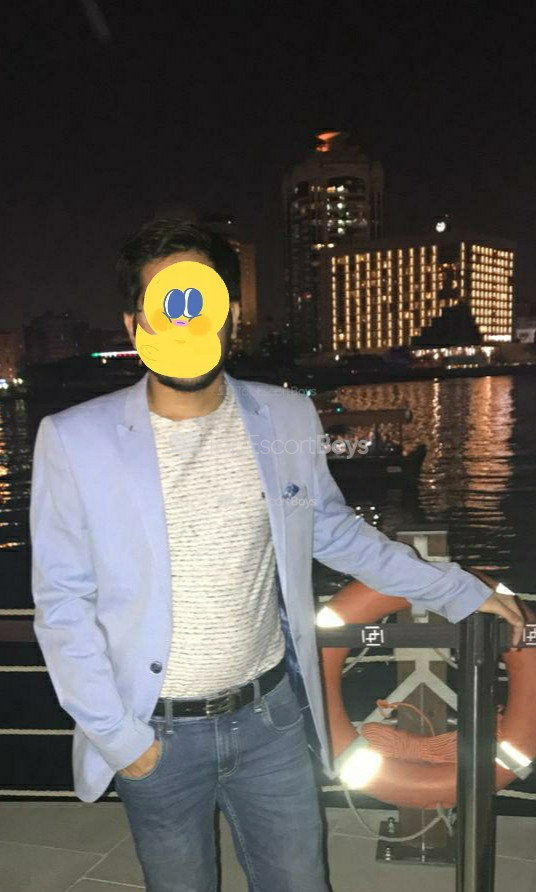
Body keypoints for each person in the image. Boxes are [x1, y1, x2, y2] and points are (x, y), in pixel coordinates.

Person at [30, 217, 525, 892]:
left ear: (230, 316)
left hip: (272, 720)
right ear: (134, 322)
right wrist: (122, 741)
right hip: (155, 732)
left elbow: (335, 532)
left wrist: (460, 589)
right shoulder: (74, 439)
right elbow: (63, 602)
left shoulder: (286, 418)